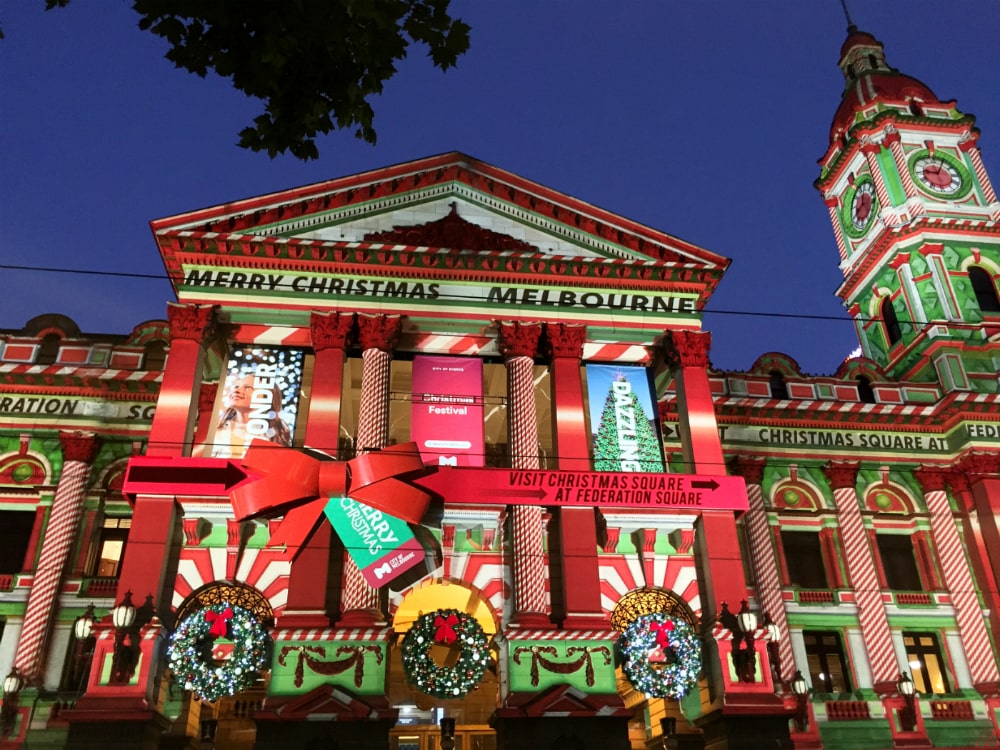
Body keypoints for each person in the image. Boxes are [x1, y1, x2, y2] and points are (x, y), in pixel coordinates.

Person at [212, 373, 292, 457]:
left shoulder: (275, 436)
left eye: (248, 388)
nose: (237, 390)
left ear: (266, 397)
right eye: (236, 386)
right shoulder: (215, 428)